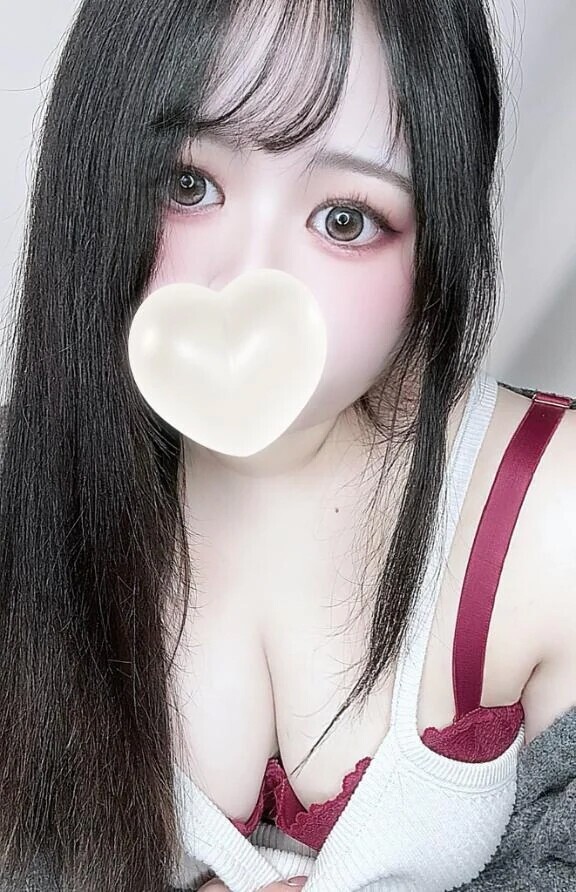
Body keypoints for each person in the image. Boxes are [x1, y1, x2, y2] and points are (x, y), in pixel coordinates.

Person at [0, 0, 574, 890]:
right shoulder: (30, 501)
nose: (249, 280)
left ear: (435, 248)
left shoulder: (547, 511)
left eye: (345, 218)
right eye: (188, 184)